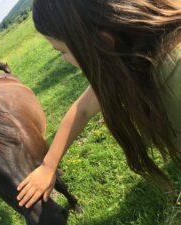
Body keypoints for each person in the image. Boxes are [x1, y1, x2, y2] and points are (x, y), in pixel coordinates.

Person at [16, 0, 181, 209]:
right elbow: (82, 109)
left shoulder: (175, 73)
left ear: (103, 41)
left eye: (62, 51)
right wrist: (48, 166)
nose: (64, 59)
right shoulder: (132, 59)